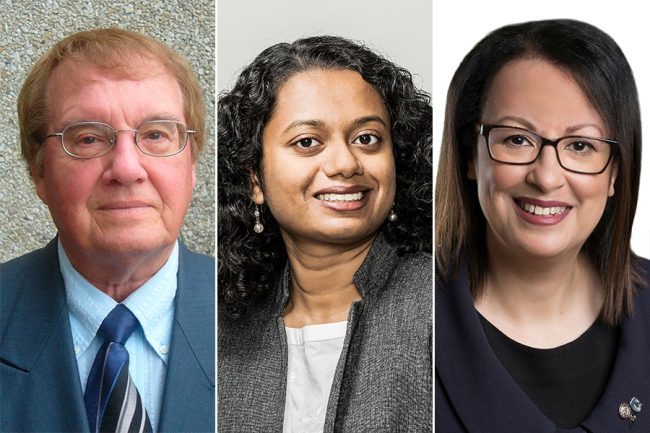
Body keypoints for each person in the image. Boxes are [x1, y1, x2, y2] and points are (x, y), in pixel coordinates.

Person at [435, 19, 649, 432]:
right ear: (469, 156)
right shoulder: (412, 324)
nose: (547, 177)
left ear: (616, 174)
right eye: (517, 139)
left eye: (581, 145)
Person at [0, 28, 214, 432]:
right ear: (38, 170)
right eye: (87, 138)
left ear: (192, 166)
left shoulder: (262, 314)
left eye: (155, 134)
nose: (127, 169)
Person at [218, 35, 432, 432]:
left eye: (367, 138)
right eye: (308, 142)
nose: (345, 163)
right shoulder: (222, 333)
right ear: (255, 179)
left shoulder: (446, 306)